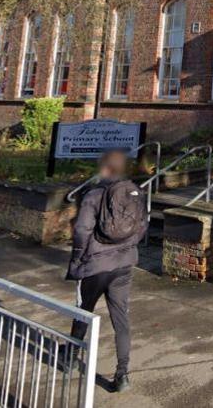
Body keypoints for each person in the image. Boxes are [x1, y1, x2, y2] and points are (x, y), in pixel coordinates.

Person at [66, 149, 145, 392]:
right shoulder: (135, 193)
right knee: (121, 320)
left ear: (105, 169)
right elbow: (142, 226)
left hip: (95, 265)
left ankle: (70, 356)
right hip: (123, 265)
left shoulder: (94, 194)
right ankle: (123, 374)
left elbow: (81, 230)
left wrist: (78, 258)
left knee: (83, 311)